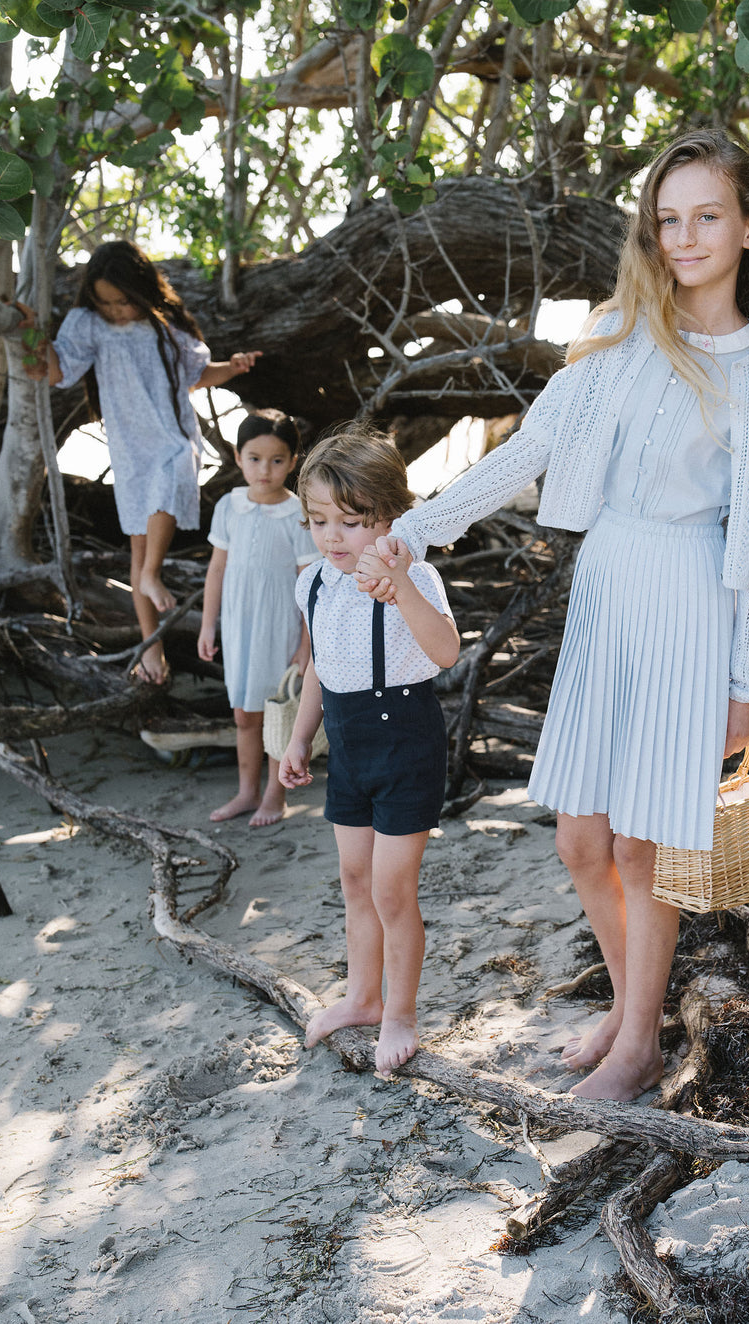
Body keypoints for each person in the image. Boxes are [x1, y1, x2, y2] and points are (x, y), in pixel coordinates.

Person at [363, 128, 749, 1102]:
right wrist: (417, 527)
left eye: (708, 216)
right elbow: (524, 450)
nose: (685, 237)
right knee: (582, 840)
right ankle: (631, 1009)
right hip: (609, 589)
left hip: (692, 601)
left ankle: (636, 1048)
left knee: (640, 843)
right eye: (668, 219)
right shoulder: (621, 337)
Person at [279, 424, 460, 1073]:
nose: (332, 537)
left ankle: (399, 1014)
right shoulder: (315, 584)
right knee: (354, 880)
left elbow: (445, 653)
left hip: (404, 738)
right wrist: (301, 740)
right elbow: (320, 670)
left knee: (391, 891)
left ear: (390, 518)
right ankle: (360, 997)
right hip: (348, 741)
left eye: (351, 523)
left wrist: (399, 585)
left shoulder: (417, 575)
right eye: (318, 520)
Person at [27, 241, 261, 683]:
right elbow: (59, 372)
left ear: (142, 290)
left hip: (171, 435)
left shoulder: (164, 326)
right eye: (106, 302)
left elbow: (197, 375)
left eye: (124, 301)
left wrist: (234, 366)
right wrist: (34, 338)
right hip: (131, 447)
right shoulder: (89, 325)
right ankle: (150, 649)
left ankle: (153, 576)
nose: (116, 310)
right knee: (137, 552)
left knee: (177, 471)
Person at [198, 409, 316, 827]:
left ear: (294, 460)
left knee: (277, 712)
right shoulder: (230, 506)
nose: (264, 470)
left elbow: (310, 587)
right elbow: (217, 570)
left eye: (277, 460)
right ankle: (246, 791)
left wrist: (306, 645)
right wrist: (208, 624)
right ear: (237, 456)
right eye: (254, 458)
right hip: (239, 626)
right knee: (244, 714)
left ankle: (274, 795)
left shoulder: (298, 514)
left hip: (279, 628)